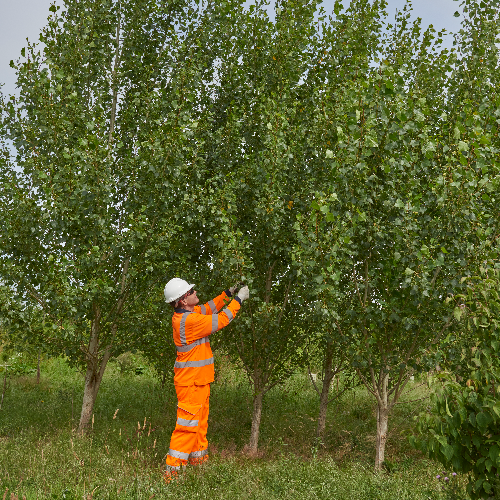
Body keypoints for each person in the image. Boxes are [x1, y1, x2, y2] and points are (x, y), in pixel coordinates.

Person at [162, 278, 249, 483]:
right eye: (191, 291)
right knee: (187, 428)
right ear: (183, 301)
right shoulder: (189, 321)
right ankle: (171, 476)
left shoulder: (190, 313)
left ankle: (198, 465)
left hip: (198, 381)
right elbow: (221, 319)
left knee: (199, 426)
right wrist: (239, 299)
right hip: (190, 384)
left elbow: (210, 307)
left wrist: (227, 294)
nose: (195, 291)